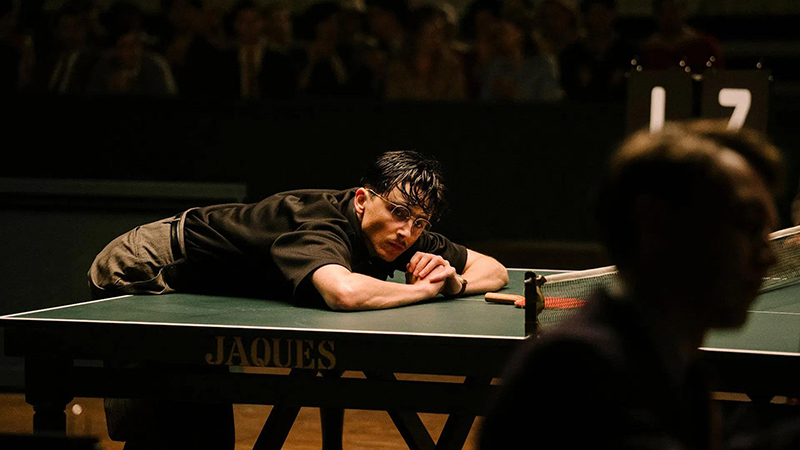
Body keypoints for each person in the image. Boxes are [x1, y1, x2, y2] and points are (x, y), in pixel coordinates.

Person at [89, 149, 508, 448]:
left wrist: (454, 282)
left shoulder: (399, 236)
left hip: (205, 286)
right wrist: (422, 290)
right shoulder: (320, 223)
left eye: (420, 222)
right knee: (175, 424)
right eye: (399, 213)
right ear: (362, 200)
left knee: (203, 421)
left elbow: (494, 270)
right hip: (149, 267)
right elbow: (343, 292)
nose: (407, 232)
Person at [479, 119, 800, 449]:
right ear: (658, 226)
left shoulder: (667, 360)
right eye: (748, 226)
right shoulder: (573, 372)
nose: (769, 257)